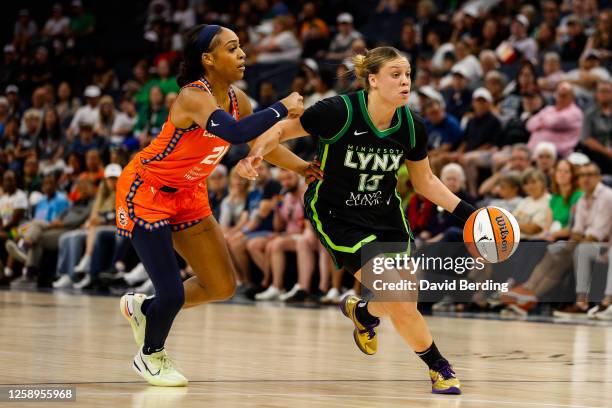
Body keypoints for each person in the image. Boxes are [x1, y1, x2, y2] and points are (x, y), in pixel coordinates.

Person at [237, 46, 479, 395]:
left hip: (385, 216)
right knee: (397, 295)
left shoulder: (412, 127)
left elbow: (425, 182)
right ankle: (439, 366)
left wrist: (470, 214)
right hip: (339, 216)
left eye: (408, 74)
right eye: (395, 74)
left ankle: (363, 314)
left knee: (404, 298)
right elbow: (279, 131)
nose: (405, 81)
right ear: (373, 80)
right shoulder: (338, 111)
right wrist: (256, 154)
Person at [115, 24, 313, 387]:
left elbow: (261, 139)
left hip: (190, 193)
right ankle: (150, 355)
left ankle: (144, 309)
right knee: (172, 291)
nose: (242, 55)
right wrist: (283, 107)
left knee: (221, 285)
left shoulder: (240, 100)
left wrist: (302, 168)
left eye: (241, 48)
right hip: (147, 192)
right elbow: (235, 134)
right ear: (208, 59)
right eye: (232, 48)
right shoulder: (193, 97)